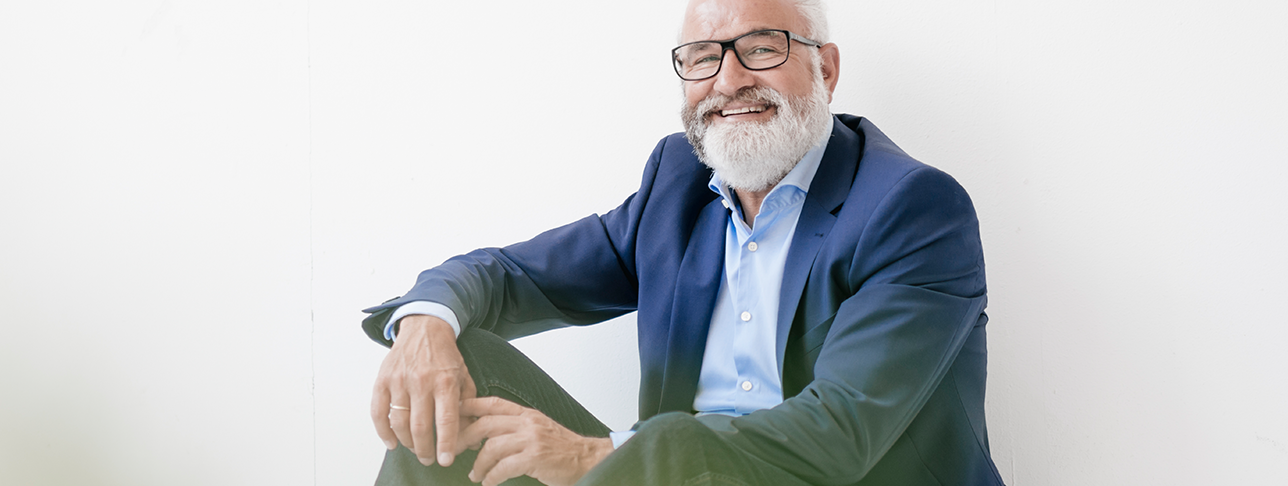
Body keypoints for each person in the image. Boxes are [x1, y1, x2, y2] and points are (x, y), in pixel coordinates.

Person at [361, 0, 1005, 484]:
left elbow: (839, 433)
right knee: (457, 365)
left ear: (825, 68)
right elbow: (512, 277)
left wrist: (597, 455)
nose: (727, 82)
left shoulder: (913, 209)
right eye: (703, 57)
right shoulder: (678, 184)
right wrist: (425, 324)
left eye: (760, 48)